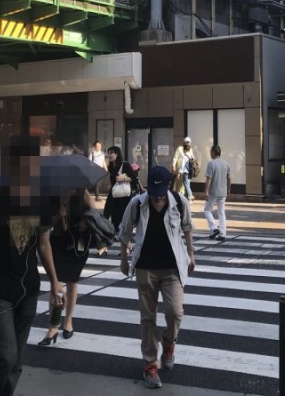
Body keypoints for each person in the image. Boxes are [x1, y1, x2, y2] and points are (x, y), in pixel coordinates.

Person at [0, 138, 63, 396]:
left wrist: (55, 282)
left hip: (28, 290)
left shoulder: (41, 199)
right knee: (4, 356)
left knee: (16, 362)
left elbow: (44, 244)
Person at [118, 166, 195, 389]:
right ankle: (150, 364)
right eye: (154, 194)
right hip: (145, 268)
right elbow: (125, 231)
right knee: (147, 318)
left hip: (172, 268)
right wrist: (123, 258)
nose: (158, 199)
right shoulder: (137, 203)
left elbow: (188, 228)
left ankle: (169, 343)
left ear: (168, 186)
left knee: (175, 312)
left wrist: (191, 254)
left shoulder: (179, 202)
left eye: (161, 194)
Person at [38, 188, 114, 346]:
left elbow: (94, 214)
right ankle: (53, 325)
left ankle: (68, 320)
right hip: (57, 242)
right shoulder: (53, 194)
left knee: (72, 282)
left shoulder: (81, 192)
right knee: (56, 283)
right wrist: (59, 214)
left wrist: (85, 221)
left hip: (78, 242)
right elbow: (45, 221)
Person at [103, 146, 138, 233]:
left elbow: (134, 178)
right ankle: (110, 231)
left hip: (123, 196)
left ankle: (121, 233)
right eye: (108, 153)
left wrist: (123, 179)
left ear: (117, 154)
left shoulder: (124, 164)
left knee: (120, 214)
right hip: (114, 193)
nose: (109, 155)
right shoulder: (111, 166)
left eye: (111, 153)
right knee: (108, 213)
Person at [203, 145, 231, 241]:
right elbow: (229, 177)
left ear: (214, 152)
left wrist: (206, 190)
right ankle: (222, 233)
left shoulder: (211, 164)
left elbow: (208, 178)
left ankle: (214, 228)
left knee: (207, 210)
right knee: (221, 212)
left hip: (213, 191)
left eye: (211, 152)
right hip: (223, 191)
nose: (210, 153)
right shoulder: (225, 163)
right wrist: (229, 189)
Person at [172, 137, 196, 201]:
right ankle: (185, 198)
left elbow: (184, 162)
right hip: (183, 170)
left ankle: (187, 196)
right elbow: (175, 158)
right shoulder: (180, 149)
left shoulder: (190, 150)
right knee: (183, 184)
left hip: (184, 170)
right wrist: (174, 167)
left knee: (185, 184)